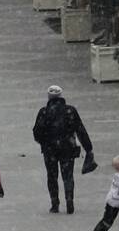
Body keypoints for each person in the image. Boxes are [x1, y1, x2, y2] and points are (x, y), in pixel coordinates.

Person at [32, 85, 94, 214]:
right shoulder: (70, 111)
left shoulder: (43, 112)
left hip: (50, 150)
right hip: (68, 148)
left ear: (49, 97)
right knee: (68, 176)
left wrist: (44, 142)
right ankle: (69, 200)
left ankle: (55, 203)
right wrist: (88, 148)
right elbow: (80, 130)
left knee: (52, 176)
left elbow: (36, 132)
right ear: (61, 96)